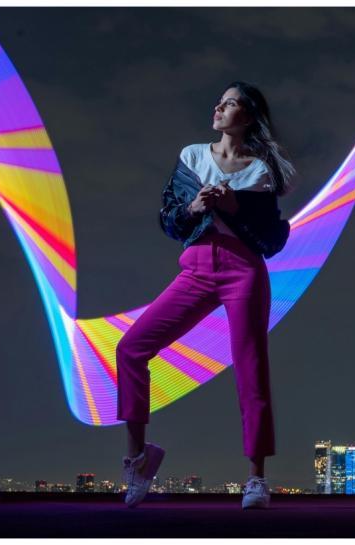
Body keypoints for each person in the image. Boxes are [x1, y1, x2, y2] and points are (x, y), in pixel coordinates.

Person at [115, 81, 295, 509]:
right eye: (219, 101)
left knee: (251, 369)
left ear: (247, 116)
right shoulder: (192, 157)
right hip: (195, 268)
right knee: (130, 348)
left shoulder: (261, 171)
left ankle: (256, 480)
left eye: (230, 103)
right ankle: (138, 459)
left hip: (243, 271)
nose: (219, 107)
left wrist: (235, 208)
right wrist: (194, 207)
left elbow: (271, 238)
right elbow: (169, 219)